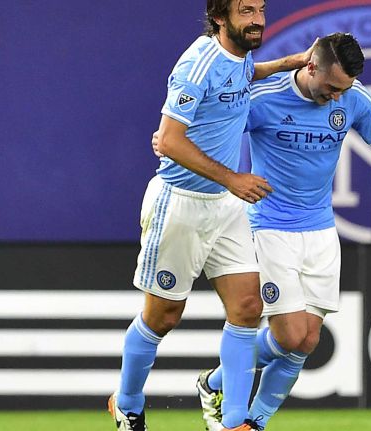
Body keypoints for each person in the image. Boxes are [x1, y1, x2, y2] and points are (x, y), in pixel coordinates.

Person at [187, 32, 371, 430]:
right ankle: (220, 389)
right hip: (269, 226)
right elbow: (213, 132)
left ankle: (248, 418)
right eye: (331, 88)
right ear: (311, 66)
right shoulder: (264, 99)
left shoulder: (353, 98)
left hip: (322, 229)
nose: (338, 97)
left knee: (307, 342)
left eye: (344, 89)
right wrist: (213, 171)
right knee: (289, 335)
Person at [107, 2, 313, 431]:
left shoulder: (241, 57)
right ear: (220, 17)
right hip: (180, 202)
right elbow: (169, 139)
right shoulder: (197, 62)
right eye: (245, 10)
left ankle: (234, 420)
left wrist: (285, 64)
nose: (257, 18)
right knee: (162, 316)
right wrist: (234, 177)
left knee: (247, 307)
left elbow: (241, 78)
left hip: (225, 205)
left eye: (260, 9)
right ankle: (127, 402)